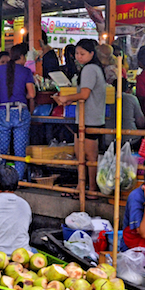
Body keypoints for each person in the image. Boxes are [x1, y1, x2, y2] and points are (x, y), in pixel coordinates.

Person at [53, 39, 106, 199]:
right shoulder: (92, 69)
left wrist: (66, 98)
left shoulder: (90, 69)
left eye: (82, 54)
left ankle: (91, 189)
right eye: (77, 53)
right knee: (81, 154)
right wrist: (69, 99)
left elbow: (84, 95)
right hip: (86, 117)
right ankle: (81, 186)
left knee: (89, 156)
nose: (79, 57)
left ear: (91, 54)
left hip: (90, 119)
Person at [0, 44, 35, 180]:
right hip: (21, 112)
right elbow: (32, 94)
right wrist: (23, 96)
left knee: (2, 149)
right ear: (22, 56)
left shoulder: (1, 70)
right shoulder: (26, 72)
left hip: (4, 112)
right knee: (19, 150)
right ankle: (19, 179)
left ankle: (1, 179)